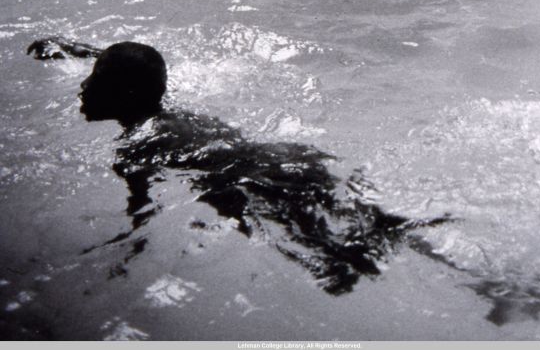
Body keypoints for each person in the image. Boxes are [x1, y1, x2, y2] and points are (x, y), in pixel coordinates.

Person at [28, 36, 448, 294]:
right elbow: (133, 66)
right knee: (378, 224)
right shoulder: (160, 105)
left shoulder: (138, 145)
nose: (84, 85)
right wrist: (77, 50)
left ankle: (475, 282)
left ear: (126, 95)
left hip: (264, 184)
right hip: (289, 159)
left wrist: (125, 250)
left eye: (96, 78)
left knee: (343, 255)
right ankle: (467, 271)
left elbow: (143, 214)